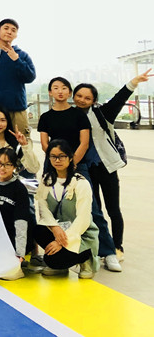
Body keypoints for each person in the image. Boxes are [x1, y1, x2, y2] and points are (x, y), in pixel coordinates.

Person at [37, 77, 119, 272]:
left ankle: (108, 252)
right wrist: (57, 160)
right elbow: (45, 144)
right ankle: (60, 254)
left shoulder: (79, 115)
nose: (60, 91)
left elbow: (84, 142)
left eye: (64, 88)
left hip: (77, 166)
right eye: (55, 88)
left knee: (92, 210)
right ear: (50, 92)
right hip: (53, 166)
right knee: (51, 208)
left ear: (69, 92)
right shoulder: (46, 117)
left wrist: (70, 163)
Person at [73, 70, 151, 262]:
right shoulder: (70, 116)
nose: (82, 100)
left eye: (87, 98)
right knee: (95, 210)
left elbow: (119, 98)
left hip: (106, 167)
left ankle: (117, 247)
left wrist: (134, 82)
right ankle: (101, 247)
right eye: (79, 96)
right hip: (85, 169)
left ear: (93, 100)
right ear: (73, 96)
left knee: (113, 209)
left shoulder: (103, 113)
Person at [34, 140, 98, 279]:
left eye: (62, 156)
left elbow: (83, 219)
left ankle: (86, 258)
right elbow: (43, 209)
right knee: (36, 229)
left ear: (70, 158)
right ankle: (61, 265)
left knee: (53, 260)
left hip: (79, 234)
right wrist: (55, 228)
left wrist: (61, 241)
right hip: (59, 229)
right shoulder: (46, 180)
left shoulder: (81, 183)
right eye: (53, 156)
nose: (57, 160)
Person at [0, 19, 36, 136]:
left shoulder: (22, 55)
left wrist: (17, 60)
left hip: (18, 108)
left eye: (13, 30)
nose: (9, 32)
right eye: (6, 28)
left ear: (16, 35)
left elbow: (30, 77)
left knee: (23, 141)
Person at [0, 147, 31, 281]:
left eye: (7, 164)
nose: (2, 168)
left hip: (11, 240)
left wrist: (20, 253)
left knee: (9, 274)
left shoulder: (19, 189)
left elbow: (21, 222)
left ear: (14, 166)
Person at [0, 109, 40, 178]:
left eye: (3, 120)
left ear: (8, 122)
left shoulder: (16, 143)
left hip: (15, 183)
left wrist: (24, 145)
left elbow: (34, 169)